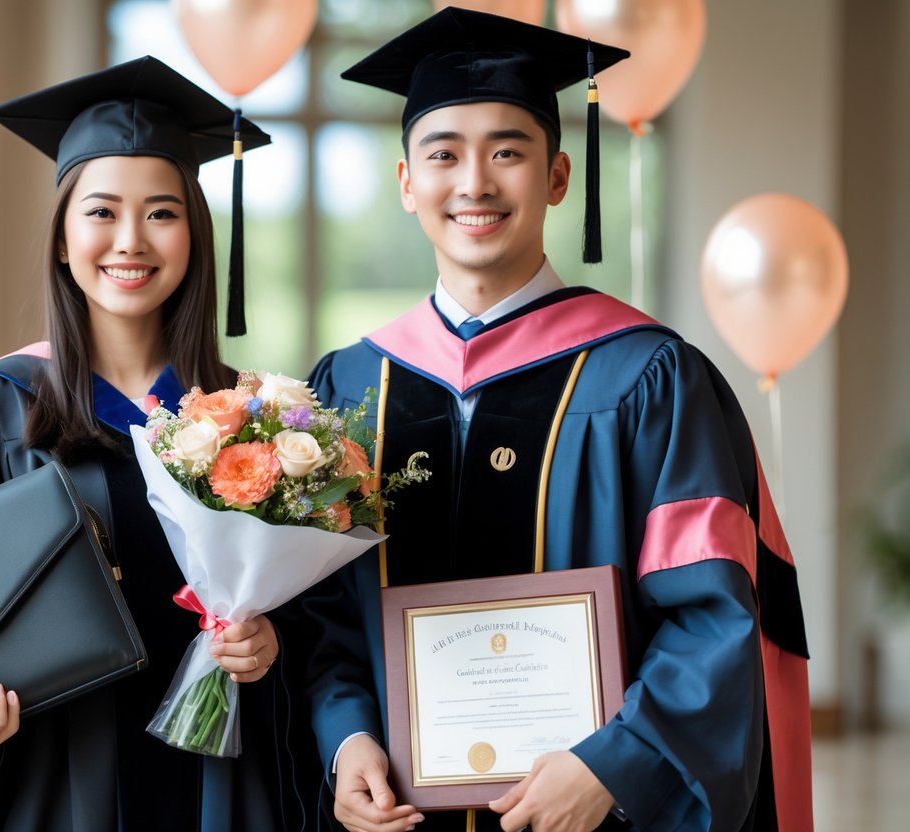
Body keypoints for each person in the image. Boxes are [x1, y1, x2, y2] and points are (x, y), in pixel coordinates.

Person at [294, 8, 812, 832]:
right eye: (442, 154)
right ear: (405, 184)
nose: (473, 182)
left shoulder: (648, 375)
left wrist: (614, 765)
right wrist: (345, 736)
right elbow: (321, 615)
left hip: (592, 812)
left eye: (507, 150)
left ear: (557, 175)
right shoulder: (350, 386)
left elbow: (712, 612)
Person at [0, 56, 301, 831]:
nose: (130, 241)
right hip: (51, 779)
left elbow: (307, 621)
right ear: (63, 238)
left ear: (195, 235)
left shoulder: (254, 415)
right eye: (101, 212)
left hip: (216, 781)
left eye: (162, 213)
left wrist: (269, 645)